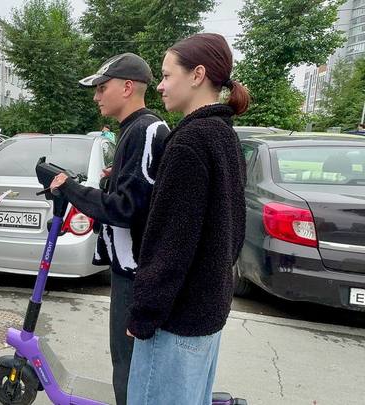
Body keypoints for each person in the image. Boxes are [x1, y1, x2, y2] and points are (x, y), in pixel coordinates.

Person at [125, 33, 249, 404]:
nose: (159, 86)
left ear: (197, 75)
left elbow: (170, 245)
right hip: (206, 314)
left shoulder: (189, 143)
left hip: (175, 323)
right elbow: (233, 231)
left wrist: (143, 314)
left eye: (166, 75)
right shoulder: (224, 135)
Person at [48, 52, 170, 405]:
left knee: (129, 366)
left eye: (102, 88)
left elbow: (126, 209)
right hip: (129, 269)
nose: (96, 96)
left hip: (136, 272)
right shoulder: (133, 130)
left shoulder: (145, 130)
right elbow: (136, 193)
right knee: (126, 362)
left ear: (128, 87)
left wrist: (70, 187)